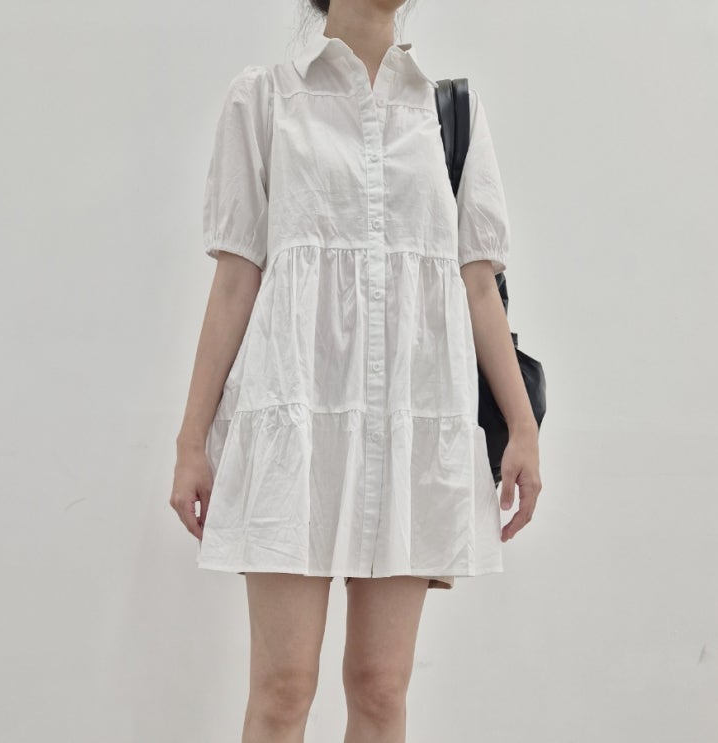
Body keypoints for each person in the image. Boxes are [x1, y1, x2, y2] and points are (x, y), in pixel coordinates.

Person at [171, 0, 542, 740]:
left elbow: (477, 283)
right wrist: (191, 442)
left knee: (379, 687)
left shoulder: (448, 111)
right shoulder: (265, 98)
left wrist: (523, 429)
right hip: (296, 422)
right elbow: (236, 279)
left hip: (411, 425)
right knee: (282, 688)